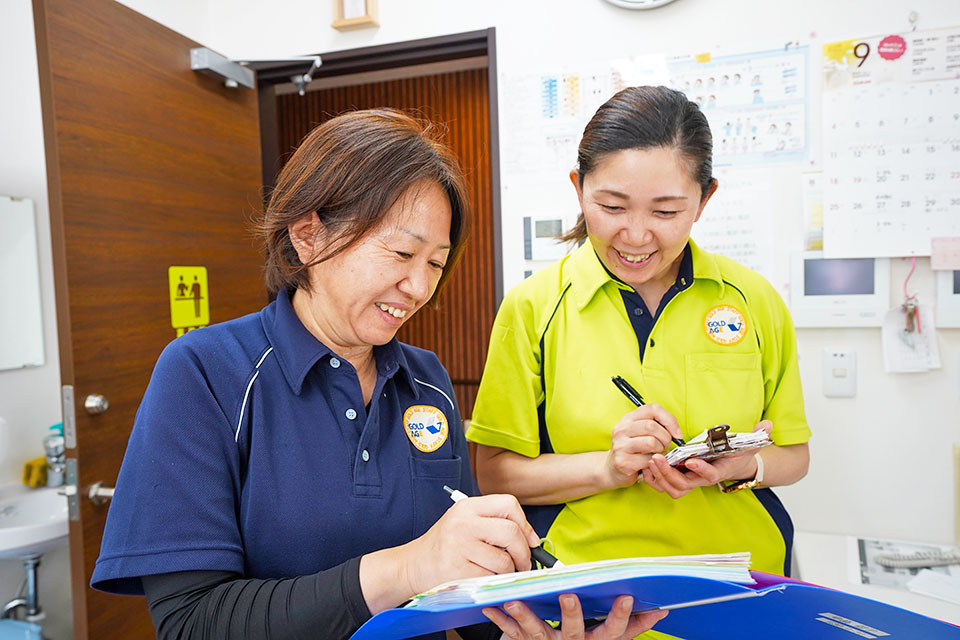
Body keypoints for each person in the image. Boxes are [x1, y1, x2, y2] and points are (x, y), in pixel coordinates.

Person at [89, 109, 666, 640]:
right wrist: (407, 568)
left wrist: (538, 629)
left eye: (435, 263)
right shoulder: (205, 372)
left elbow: (466, 597)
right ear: (308, 234)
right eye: (400, 254)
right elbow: (190, 623)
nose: (418, 288)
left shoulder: (427, 381)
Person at [467, 86, 811, 597]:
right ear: (578, 189)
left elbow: (795, 455)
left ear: (705, 199)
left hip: (740, 582)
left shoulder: (753, 300)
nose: (635, 235)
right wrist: (607, 467)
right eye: (612, 206)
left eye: (665, 212)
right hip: (585, 588)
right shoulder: (532, 306)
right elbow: (493, 473)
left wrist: (746, 467)